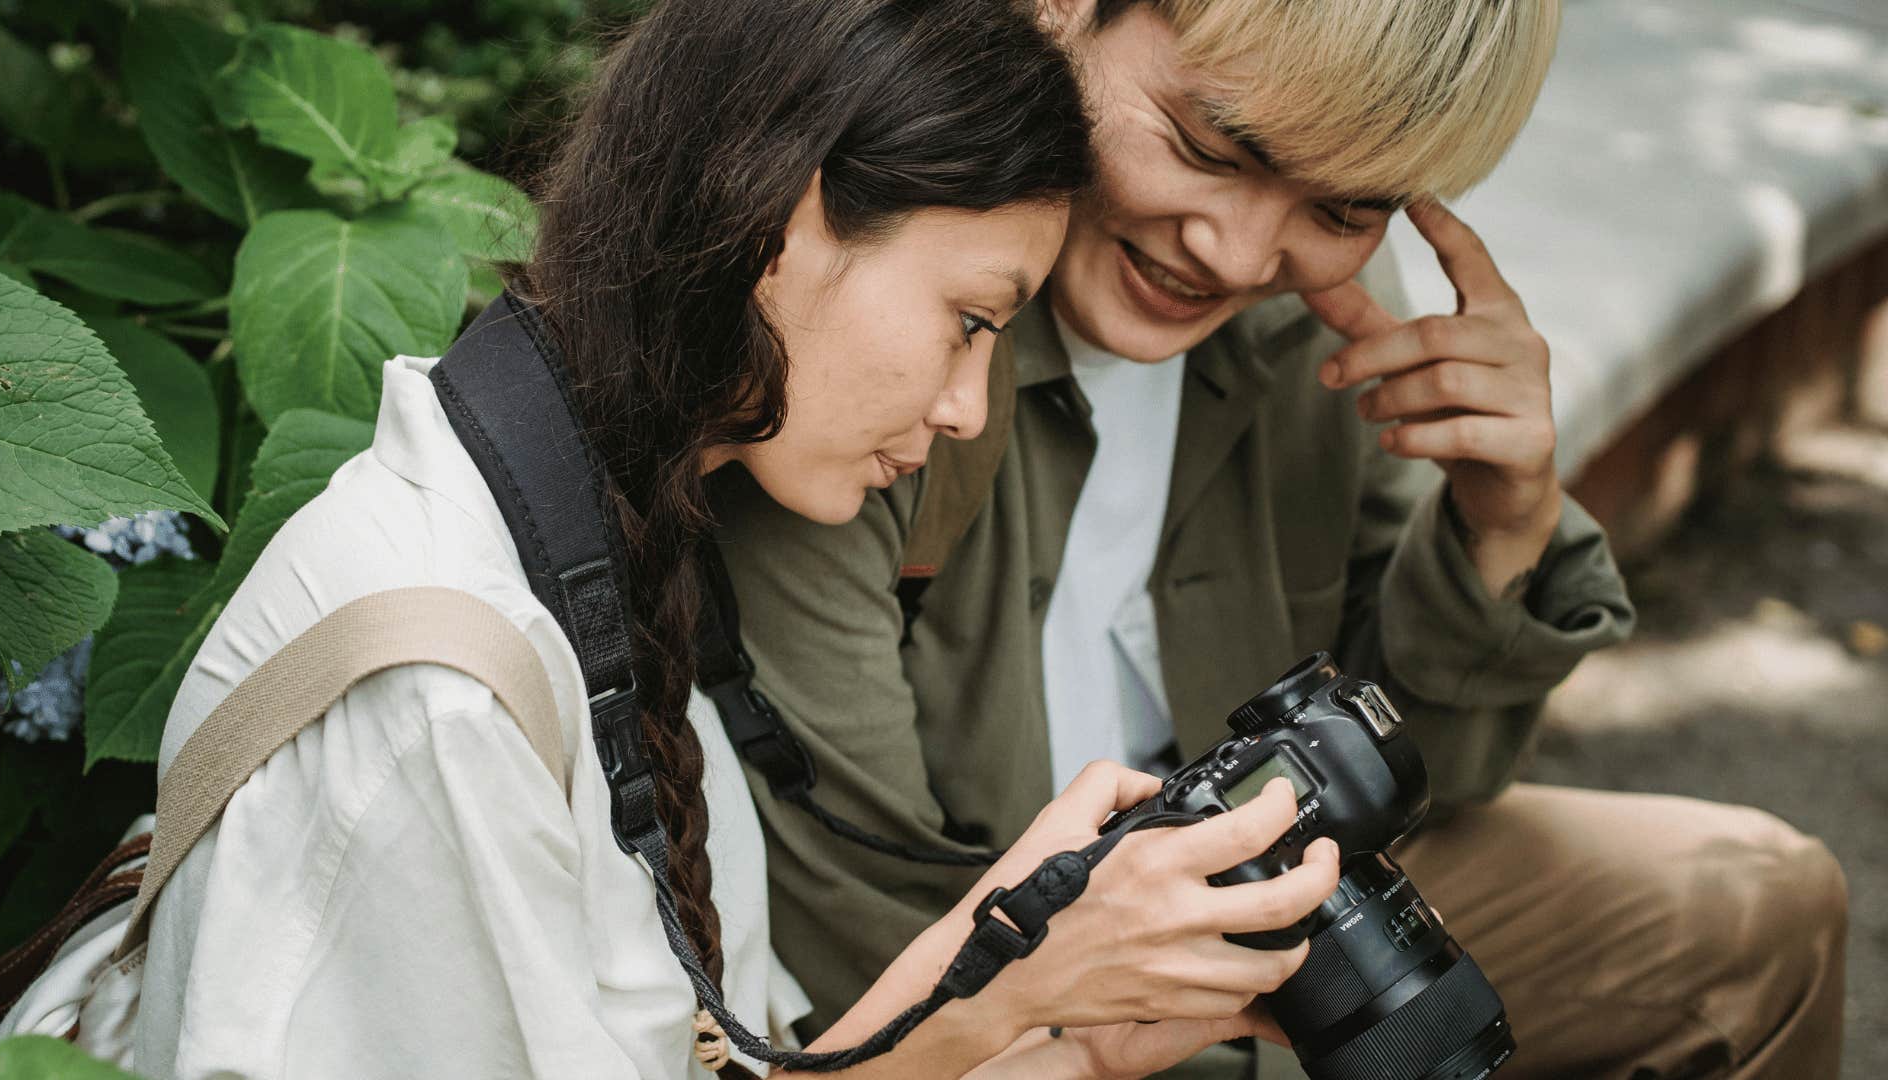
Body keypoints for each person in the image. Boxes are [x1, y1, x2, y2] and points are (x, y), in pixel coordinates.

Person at [130, 1, 1350, 1077]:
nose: (970, 406)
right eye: (971, 321)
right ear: (786, 218)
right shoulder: (444, 698)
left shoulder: (589, 556)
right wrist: (1010, 980)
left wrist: (1060, 1028)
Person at [710, 0, 1851, 1077]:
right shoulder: (878, 374)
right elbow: (881, 955)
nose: (1243, 256)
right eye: (1210, 148)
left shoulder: (1323, 309)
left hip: (1278, 909)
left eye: (1346, 208)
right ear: (1063, 8)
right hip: (1018, 992)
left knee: (1762, 909)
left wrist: (1502, 525)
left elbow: (1437, 778)